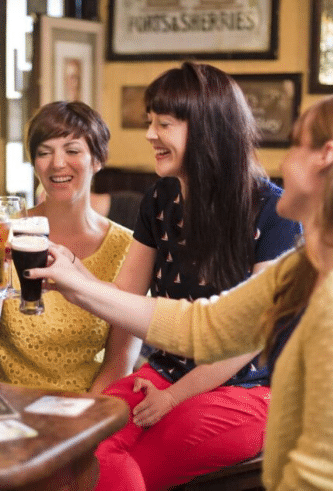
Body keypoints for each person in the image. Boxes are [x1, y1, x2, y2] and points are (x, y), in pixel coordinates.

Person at [29, 88, 333, 490]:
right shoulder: (304, 265)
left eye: (295, 145)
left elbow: (327, 477)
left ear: (326, 158)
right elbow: (204, 327)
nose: (280, 163)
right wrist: (79, 281)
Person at [68, 62, 301, 491]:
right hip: (163, 372)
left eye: (164, 124)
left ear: (208, 129)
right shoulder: (160, 197)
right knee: (83, 445)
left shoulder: (275, 212)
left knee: (129, 465)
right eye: (150, 122)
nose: (150, 135)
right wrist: (71, 273)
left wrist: (174, 398)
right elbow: (125, 297)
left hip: (252, 388)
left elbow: (250, 334)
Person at [0, 101, 136, 393]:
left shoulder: (128, 247)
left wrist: (83, 423)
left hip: (85, 409)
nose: (57, 163)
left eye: (72, 150)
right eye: (44, 152)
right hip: (3, 404)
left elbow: (120, 362)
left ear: (97, 160)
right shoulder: (3, 231)